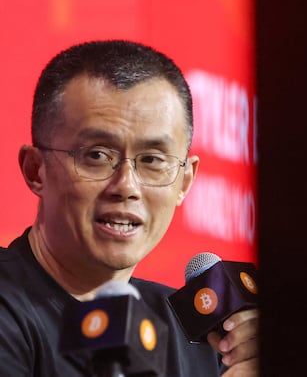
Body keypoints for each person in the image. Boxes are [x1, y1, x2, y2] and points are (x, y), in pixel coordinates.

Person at [0, 40, 259, 376]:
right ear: (36, 170)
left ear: (184, 182)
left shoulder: (203, 341)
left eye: (152, 160)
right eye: (96, 155)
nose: (126, 186)